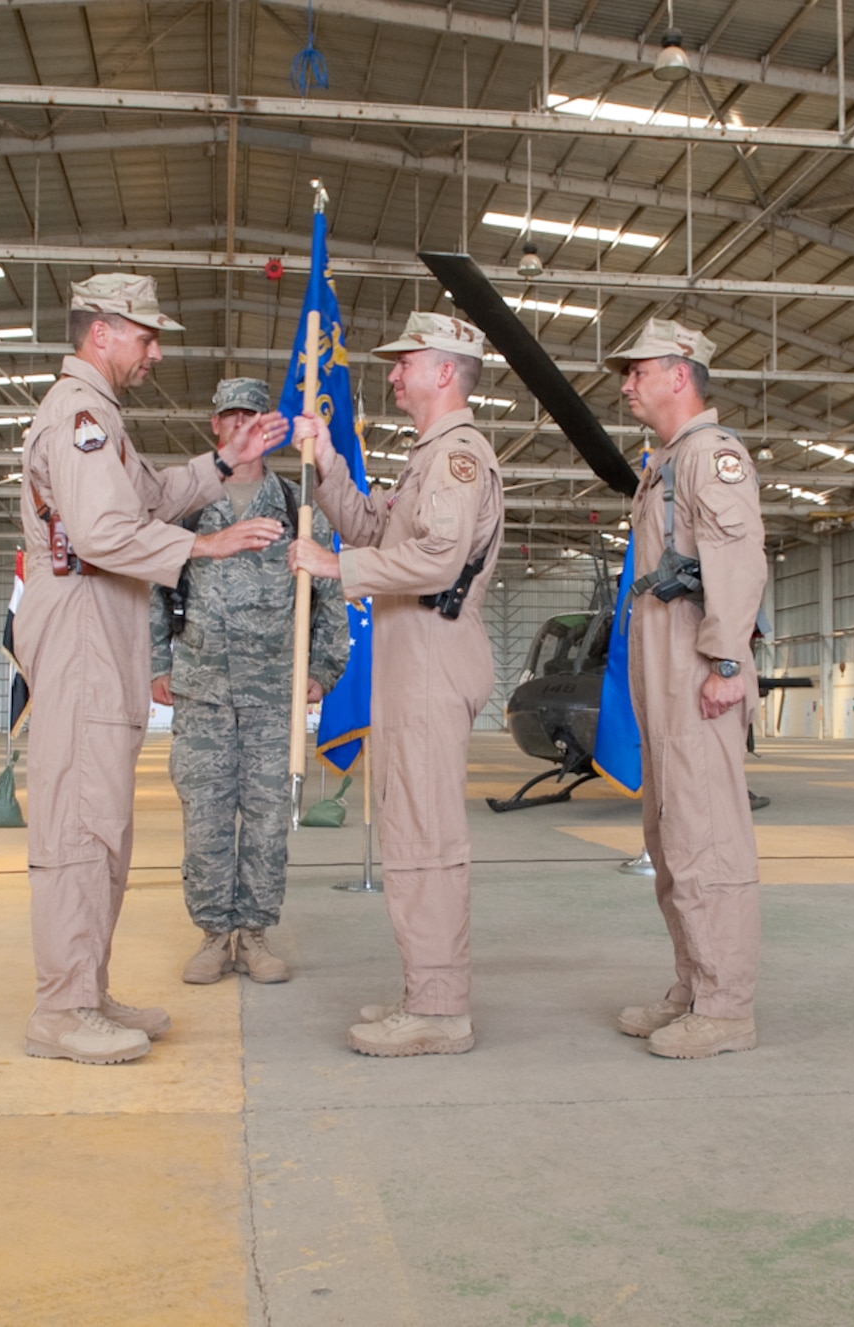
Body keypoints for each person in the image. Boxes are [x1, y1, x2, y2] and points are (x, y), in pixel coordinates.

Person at [14, 274, 286, 1066]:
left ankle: (86, 991)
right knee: (77, 829)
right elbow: (103, 532)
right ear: (103, 332)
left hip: (104, 635)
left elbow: (151, 498)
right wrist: (202, 545)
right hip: (81, 634)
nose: (155, 351)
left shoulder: (104, 420)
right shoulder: (81, 417)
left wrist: (219, 461)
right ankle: (61, 1009)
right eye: (146, 335)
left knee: (103, 828)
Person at [288, 311, 502, 1057]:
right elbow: (378, 531)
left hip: (434, 652)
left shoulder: (458, 457)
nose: (392, 373)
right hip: (412, 654)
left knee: (428, 836)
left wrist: (333, 568)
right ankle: (427, 989)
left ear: (444, 371)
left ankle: (440, 1009)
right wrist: (324, 464)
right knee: (411, 829)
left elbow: (437, 560)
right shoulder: (428, 458)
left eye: (406, 361)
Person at [149, 377, 349, 986]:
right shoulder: (185, 506)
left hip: (273, 691)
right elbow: (153, 589)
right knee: (206, 818)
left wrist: (324, 668)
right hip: (203, 688)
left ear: (271, 427)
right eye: (230, 415)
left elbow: (330, 595)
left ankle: (256, 933)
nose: (242, 425)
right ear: (216, 425)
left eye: (253, 416)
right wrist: (155, 663)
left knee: (265, 820)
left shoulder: (297, 506)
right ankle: (213, 935)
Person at [606, 318, 768, 1060]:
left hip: (700, 661)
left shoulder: (713, 457)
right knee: (671, 835)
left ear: (680, 374)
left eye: (637, 370)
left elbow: (737, 562)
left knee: (707, 836)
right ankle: (694, 984)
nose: (626, 383)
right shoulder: (667, 461)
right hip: (665, 660)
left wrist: (726, 663)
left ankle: (727, 1006)